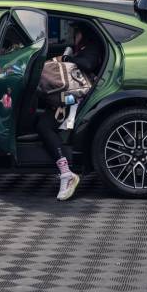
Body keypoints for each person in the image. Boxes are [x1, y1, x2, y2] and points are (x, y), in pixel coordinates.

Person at [35, 22, 100, 201]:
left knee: (44, 126)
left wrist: (67, 59)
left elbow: (88, 63)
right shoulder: (79, 47)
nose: (72, 35)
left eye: (75, 31)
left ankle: (66, 173)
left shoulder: (92, 47)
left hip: (79, 100)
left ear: (83, 33)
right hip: (70, 97)